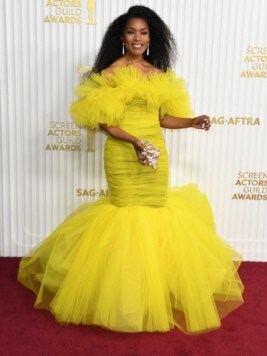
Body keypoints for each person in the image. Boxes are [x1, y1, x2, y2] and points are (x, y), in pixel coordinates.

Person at [17, 5, 244, 335]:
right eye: (131, 32)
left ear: (152, 38)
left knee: (154, 216)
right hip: (125, 153)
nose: (137, 38)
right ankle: (123, 297)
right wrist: (136, 143)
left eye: (143, 32)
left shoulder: (159, 74)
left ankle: (152, 291)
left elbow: (164, 119)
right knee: (124, 219)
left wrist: (192, 122)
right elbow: (107, 124)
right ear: (120, 37)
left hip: (154, 155)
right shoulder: (110, 74)